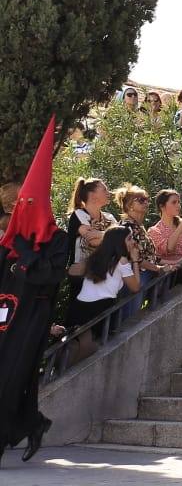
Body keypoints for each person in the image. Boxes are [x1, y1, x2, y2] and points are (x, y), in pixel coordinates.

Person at [0, 124, 70, 465]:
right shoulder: (9, 239)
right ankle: (32, 423)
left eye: (30, 202)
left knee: (11, 376)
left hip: (33, 318)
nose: (23, 208)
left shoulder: (58, 239)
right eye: (19, 204)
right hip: (5, 318)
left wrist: (27, 255)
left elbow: (50, 276)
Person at [66, 226, 140, 364]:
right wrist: (135, 260)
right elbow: (135, 287)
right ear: (119, 241)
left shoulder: (97, 257)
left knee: (78, 346)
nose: (133, 242)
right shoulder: (122, 261)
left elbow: (72, 271)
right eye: (129, 238)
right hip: (100, 309)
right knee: (90, 347)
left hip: (78, 308)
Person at [115, 186, 168, 322]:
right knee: (129, 318)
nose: (146, 202)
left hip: (146, 274)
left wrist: (169, 264)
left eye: (147, 200)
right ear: (129, 205)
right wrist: (157, 268)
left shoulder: (138, 226)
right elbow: (135, 258)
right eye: (141, 200)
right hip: (136, 276)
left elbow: (150, 256)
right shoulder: (127, 227)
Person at [67, 177, 116, 277]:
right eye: (104, 190)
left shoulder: (109, 217)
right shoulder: (78, 214)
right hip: (82, 276)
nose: (108, 192)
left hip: (105, 274)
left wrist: (100, 234)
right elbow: (93, 241)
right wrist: (112, 238)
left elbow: (121, 239)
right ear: (93, 196)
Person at [147, 190, 182, 270]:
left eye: (178, 202)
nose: (178, 205)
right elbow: (169, 248)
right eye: (174, 202)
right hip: (174, 275)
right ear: (162, 206)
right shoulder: (154, 231)